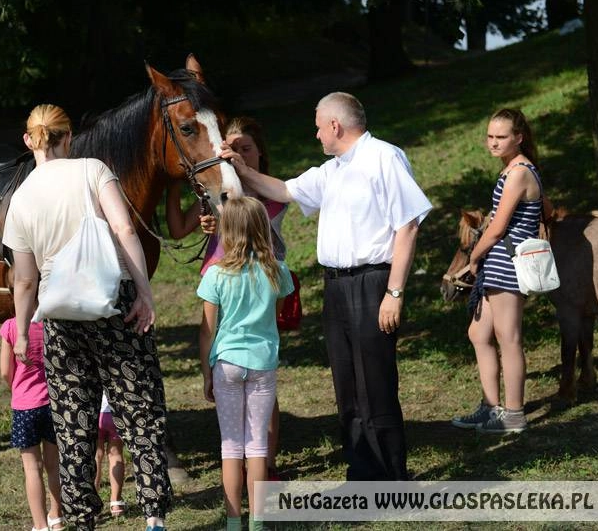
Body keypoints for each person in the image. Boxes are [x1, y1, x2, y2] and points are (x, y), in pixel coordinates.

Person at [221, 92, 432, 481]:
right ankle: (362, 473)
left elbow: (408, 224)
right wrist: (239, 168)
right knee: (346, 384)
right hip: (336, 287)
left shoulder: (383, 157)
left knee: (376, 384)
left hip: (373, 283)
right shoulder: (332, 170)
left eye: (319, 127)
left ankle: (390, 480)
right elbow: (284, 190)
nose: (316, 135)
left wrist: (395, 292)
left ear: (335, 125)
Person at [3, 104, 172, 531]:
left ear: (29, 141)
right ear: (69, 137)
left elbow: (24, 281)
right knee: (140, 411)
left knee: (73, 423)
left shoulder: (19, 199)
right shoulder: (93, 169)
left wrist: (23, 332)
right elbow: (126, 231)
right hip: (115, 306)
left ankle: (82, 521)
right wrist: (145, 293)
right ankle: (153, 517)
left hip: (60, 319)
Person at [166, 116, 286, 479]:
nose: (235, 155)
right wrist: (175, 183)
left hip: (258, 287)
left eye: (244, 149)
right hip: (220, 286)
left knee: (260, 375)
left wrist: (224, 222)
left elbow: (265, 232)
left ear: (260, 154)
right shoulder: (217, 190)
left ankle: (265, 465)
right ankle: (250, 466)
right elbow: (177, 228)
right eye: (230, 149)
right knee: (229, 364)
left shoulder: (269, 195)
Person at [197, 196, 294, 531]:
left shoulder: (215, 275)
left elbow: (207, 330)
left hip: (226, 363)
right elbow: (278, 314)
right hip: (263, 362)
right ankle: (258, 521)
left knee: (230, 446)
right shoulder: (278, 271)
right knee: (257, 445)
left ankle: (233, 520)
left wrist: (205, 372)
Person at [451, 108, 547, 434]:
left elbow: (496, 228)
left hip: (508, 263)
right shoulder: (511, 169)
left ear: (518, 137)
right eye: (490, 136)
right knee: (478, 333)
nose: (493, 142)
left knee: (509, 338)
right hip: (499, 263)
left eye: (501, 137)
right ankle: (491, 407)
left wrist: (472, 259)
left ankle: (515, 415)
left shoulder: (519, 172)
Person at [0, 314, 65, 531]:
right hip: (52, 404)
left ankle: (40, 525)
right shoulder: (51, 323)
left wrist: (17, 389)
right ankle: (56, 516)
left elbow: (4, 371)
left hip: (25, 406)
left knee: (32, 468)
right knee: (54, 466)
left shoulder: (10, 327)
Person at [94, 391, 127, 517]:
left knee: (96, 456)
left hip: (97, 413)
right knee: (116, 454)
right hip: (116, 412)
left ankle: (93, 502)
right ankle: (116, 503)